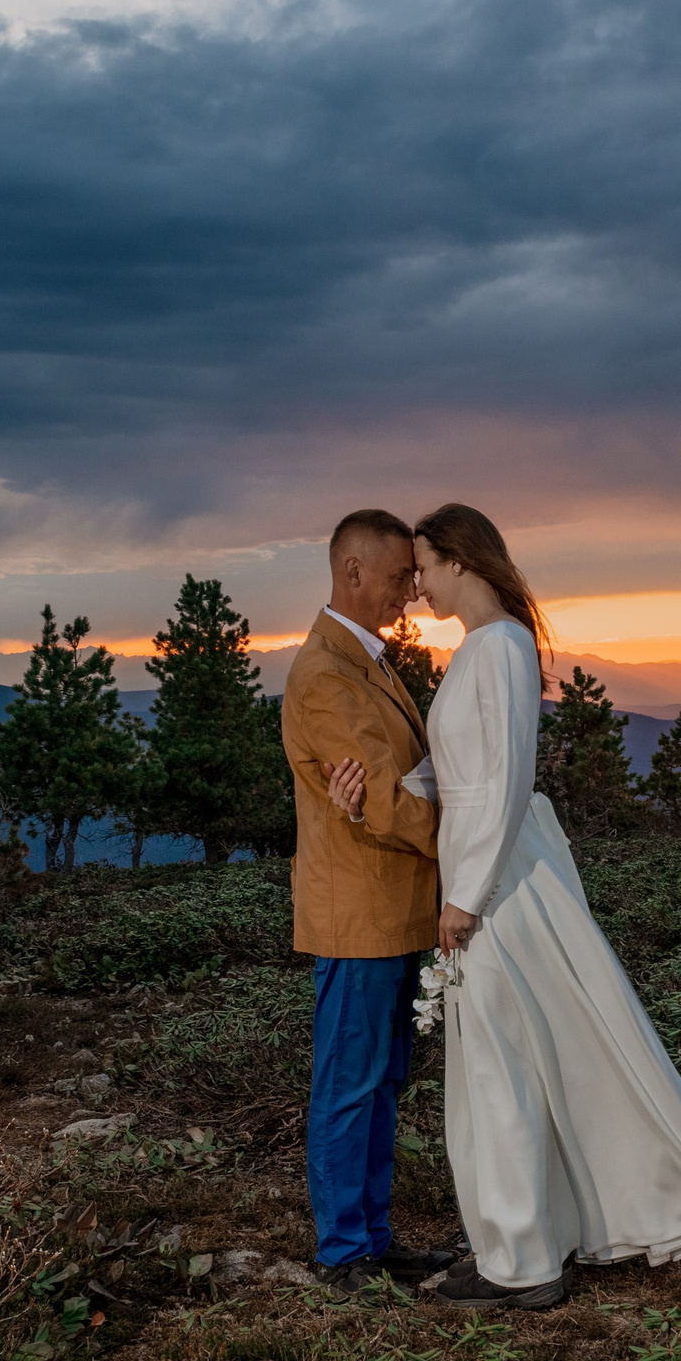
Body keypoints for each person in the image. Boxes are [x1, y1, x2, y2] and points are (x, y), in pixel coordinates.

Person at [323, 503, 681, 1310]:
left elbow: (504, 782)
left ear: (462, 563)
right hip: (481, 873)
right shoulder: (478, 649)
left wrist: (466, 899)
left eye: (426, 567)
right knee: (509, 1062)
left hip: (495, 883)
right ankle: (521, 1239)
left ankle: (522, 1260)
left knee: (501, 1065)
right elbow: (454, 770)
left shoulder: (501, 646)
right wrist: (373, 798)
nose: (418, 584)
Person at [279, 509, 459, 1296]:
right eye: (397, 577)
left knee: (381, 1081)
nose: (410, 593)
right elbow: (383, 799)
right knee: (349, 1084)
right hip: (357, 916)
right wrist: (473, 840)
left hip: (390, 909)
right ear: (351, 571)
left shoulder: (368, 662)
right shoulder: (325, 674)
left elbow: (387, 788)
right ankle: (343, 1253)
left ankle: (373, 1238)